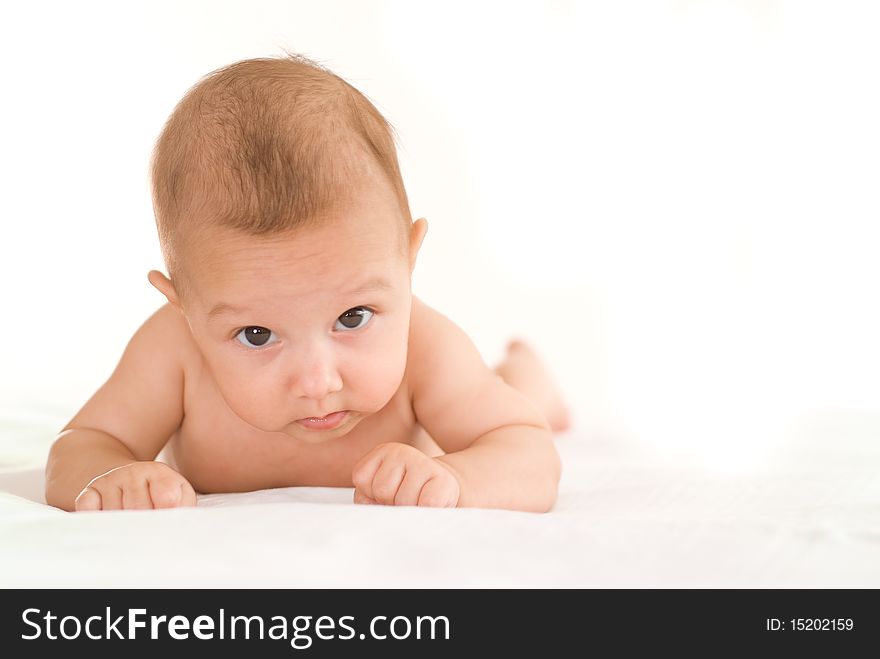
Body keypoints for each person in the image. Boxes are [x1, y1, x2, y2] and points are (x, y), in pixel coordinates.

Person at [44, 53, 568, 513]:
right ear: (185, 307)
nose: (318, 383)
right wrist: (105, 477)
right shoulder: (173, 350)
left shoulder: (426, 347)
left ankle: (528, 377)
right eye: (256, 335)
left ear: (407, 260)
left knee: (509, 402)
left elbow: (527, 454)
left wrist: (456, 478)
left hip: (449, 412)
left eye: (352, 318)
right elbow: (85, 442)